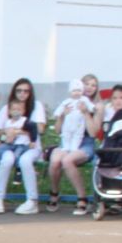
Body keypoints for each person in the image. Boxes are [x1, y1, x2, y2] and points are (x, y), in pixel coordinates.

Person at [0, 78, 46, 215]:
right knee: (7, 160)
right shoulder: (6, 108)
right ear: (14, 91)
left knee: (25, 161)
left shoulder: (36, 106)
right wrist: (6, 135)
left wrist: (17, 131)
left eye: (26, 91)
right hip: (10, 145)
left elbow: (40, 129)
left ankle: (32, 200)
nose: (22, 94)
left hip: (30, 146)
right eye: (19, 90)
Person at [46, 81, 100, 214]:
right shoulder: (69, 102)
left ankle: (82, 198)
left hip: (86, 143)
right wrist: (63, 115)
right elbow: (58, 131)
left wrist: (86, 113)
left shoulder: (95, 106)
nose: (89, 87)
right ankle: (54, 192)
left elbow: (93, 133)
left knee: (67, 161)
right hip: (66, 141)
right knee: (55, 160)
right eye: (87, 84)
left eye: (93, 85)